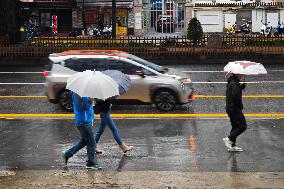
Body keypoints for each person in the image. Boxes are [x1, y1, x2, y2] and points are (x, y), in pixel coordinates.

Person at [61, 92, 102, 169]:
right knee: (92, 142)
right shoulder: (77, 94)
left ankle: (67, 154)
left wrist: (92, 101)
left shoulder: (86, 91)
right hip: (83, 122)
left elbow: (87, 105)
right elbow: (80, 107)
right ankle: (90, 163)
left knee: (84, 141)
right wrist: (90, 101)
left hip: (87, 121)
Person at [223, 74, 247, 152]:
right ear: (237, 74)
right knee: (242, 126)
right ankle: (229, 139)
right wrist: (240, 106)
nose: (242, 75)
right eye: (241, 74)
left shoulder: (232, 82)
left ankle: (232, 146)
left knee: (235, 126)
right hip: (234, 108)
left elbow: (232, 93)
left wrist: (240, 87)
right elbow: (236, 97)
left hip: (229, 107)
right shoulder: (235, 83)